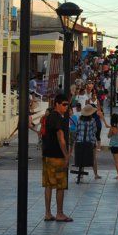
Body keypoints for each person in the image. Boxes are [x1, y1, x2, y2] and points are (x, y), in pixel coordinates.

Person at [42, 93, 73, 222]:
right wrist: (66, 155)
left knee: (49, 185)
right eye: (64, 104)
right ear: (57, 104)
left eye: (68, 105)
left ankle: (48, 213)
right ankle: (59, 213)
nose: (66, 107)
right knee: (60, 186)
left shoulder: (50, 117)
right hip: (57, 156)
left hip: (48, 155)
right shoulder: (57, 118)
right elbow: (61, 138)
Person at [74, 105, 97, 183]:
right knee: (93, 158)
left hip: (79, 141)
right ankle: (96, 174)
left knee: (81, 158)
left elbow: (77, 130)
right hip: (89, 142)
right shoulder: (93, 120)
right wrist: (94, 143)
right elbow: (94, 132)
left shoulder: (79, 120)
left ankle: (80, 174)